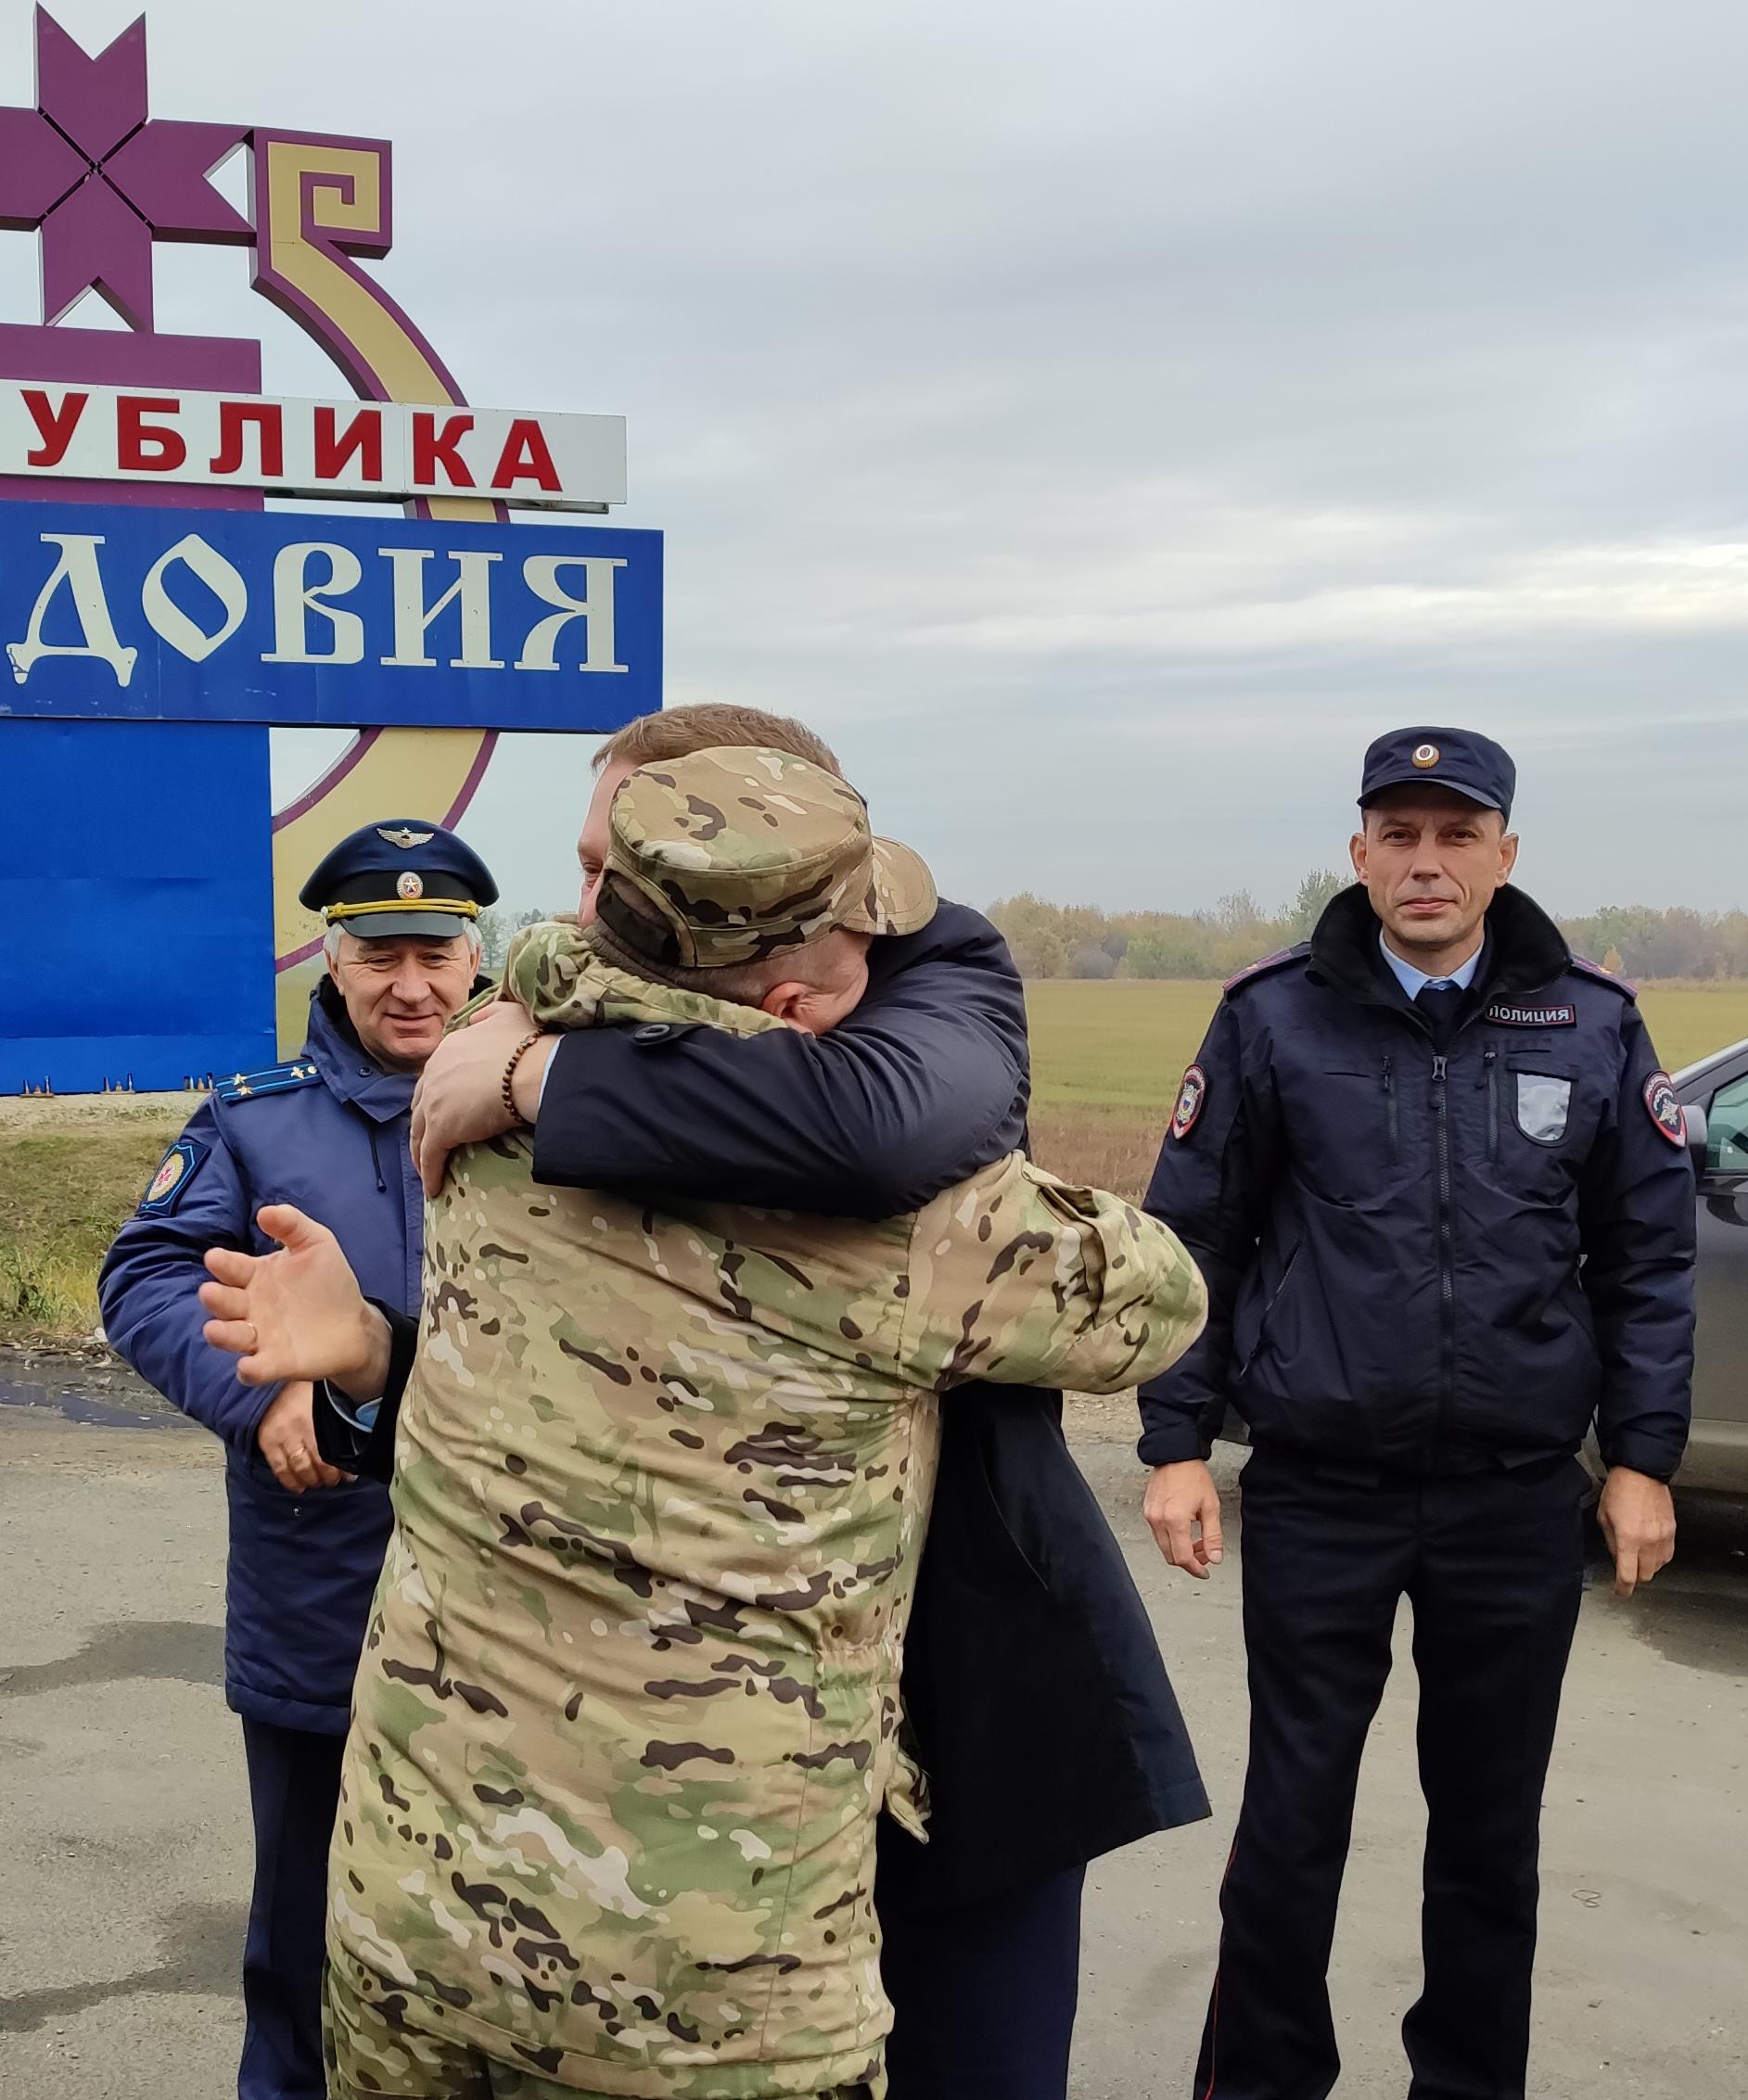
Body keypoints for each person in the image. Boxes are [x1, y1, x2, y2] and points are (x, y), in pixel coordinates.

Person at [202, 745, 1208, 2100]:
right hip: (709, 1995)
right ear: (799, 996)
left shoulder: (473, 1120)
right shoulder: (907, 1228)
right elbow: (1159, 1297)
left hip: (418, 1935)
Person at [1140, 724, 1695, 2100]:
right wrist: (1174, 1444)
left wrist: (1642, 1458)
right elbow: (1194, 1239)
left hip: (1512, 1493)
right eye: (1400, 833)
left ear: (1506, 854)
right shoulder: (1272, 1017)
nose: (1427, 861)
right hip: (1324, 1483)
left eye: (1457, 834)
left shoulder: (1591, 1020)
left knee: (1491, 1830)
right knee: (1292, 1817)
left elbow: (1647, 1259)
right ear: (1360, 853)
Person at [95, 817, 496, 2100]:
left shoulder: (551, 1114)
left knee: (517, 1961)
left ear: (477, 955)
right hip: (328, 1606)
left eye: (435, 951)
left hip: (528, 1619)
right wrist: (255, 1389)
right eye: (380, 954)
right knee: (310, 1958)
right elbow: (144, 1271)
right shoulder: (257, 1123)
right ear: (333, 959)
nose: (411, 984)